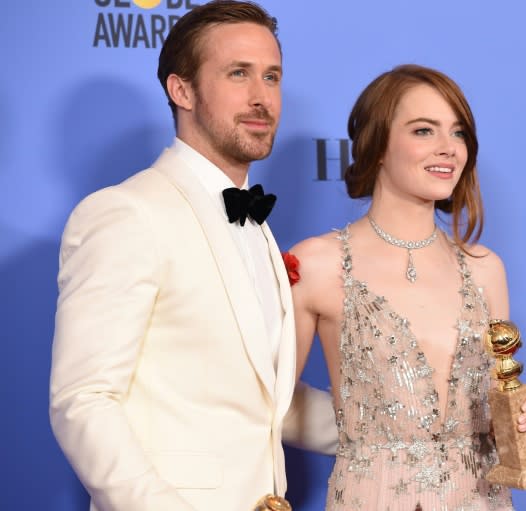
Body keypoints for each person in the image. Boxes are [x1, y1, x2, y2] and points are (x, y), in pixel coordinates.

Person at [49, 2, 336, 510]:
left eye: (271, 77)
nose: (260, 97)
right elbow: (84, 401)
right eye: (237, 74)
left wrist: (410, 433)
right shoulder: (126, 214)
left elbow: (267, 404)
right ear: (181, 90)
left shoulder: (259, 229)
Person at [289, 64, 526, 510]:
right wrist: (363, 438)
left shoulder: (486, 269)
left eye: (458, 133)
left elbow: (493, 407)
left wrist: (521, 422)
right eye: (423, 130)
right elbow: (267, 404)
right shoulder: (319, 263)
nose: (447, 149)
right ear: (376, 145)